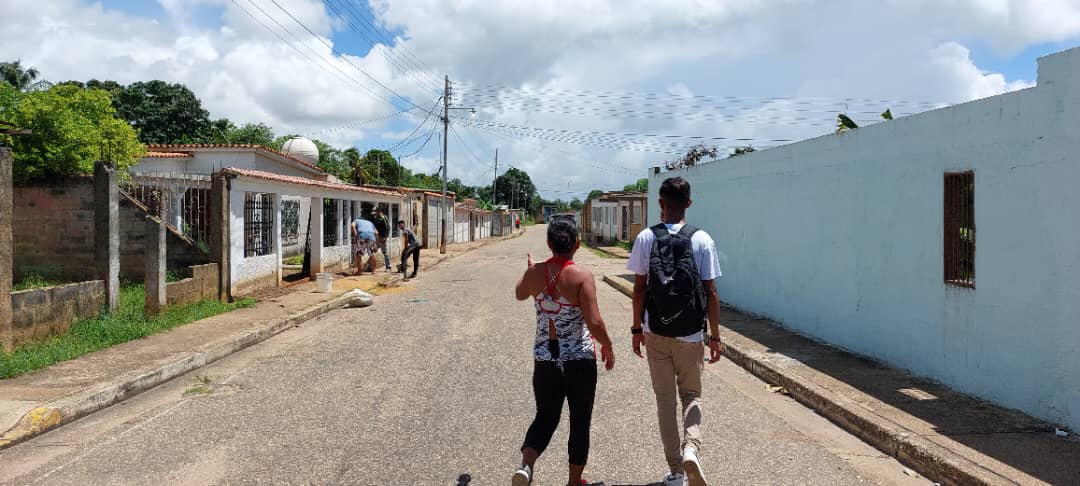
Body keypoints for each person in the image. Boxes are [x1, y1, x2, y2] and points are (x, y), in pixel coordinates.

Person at [627, 176, 724, 486]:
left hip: (655, 331)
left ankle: (675, 472)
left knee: (665, 400)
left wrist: (635, 329)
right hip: (691, 335)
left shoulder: (645, 238)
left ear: (660, 203)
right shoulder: (702, 239)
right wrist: (716, 336)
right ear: (689, 204)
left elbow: (639, 289)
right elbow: (711, 293)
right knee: (692, 395)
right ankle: (691, 450)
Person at [512, 220, 615, 486]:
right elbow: (594, 322)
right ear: (577, 245)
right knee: (579, 420)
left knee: (545, 416)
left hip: (545, 359)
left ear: (549, 243)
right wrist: (608, 345)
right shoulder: (581, 276)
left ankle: (526, 466)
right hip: (579, 359)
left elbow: (519, 294)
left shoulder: (535, 273)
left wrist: (530, 272)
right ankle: (573, 481)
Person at [373, 208, 392, 272]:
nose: (375, 213)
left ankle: (388, 267)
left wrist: (385, 237)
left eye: (376, 212)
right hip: (376, 238)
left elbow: (388, 228)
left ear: (379, 212)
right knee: (373, 251)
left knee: (385, 252)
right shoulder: (376, 218)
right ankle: (372, 267)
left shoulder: (384, 218)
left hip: (382, 237)